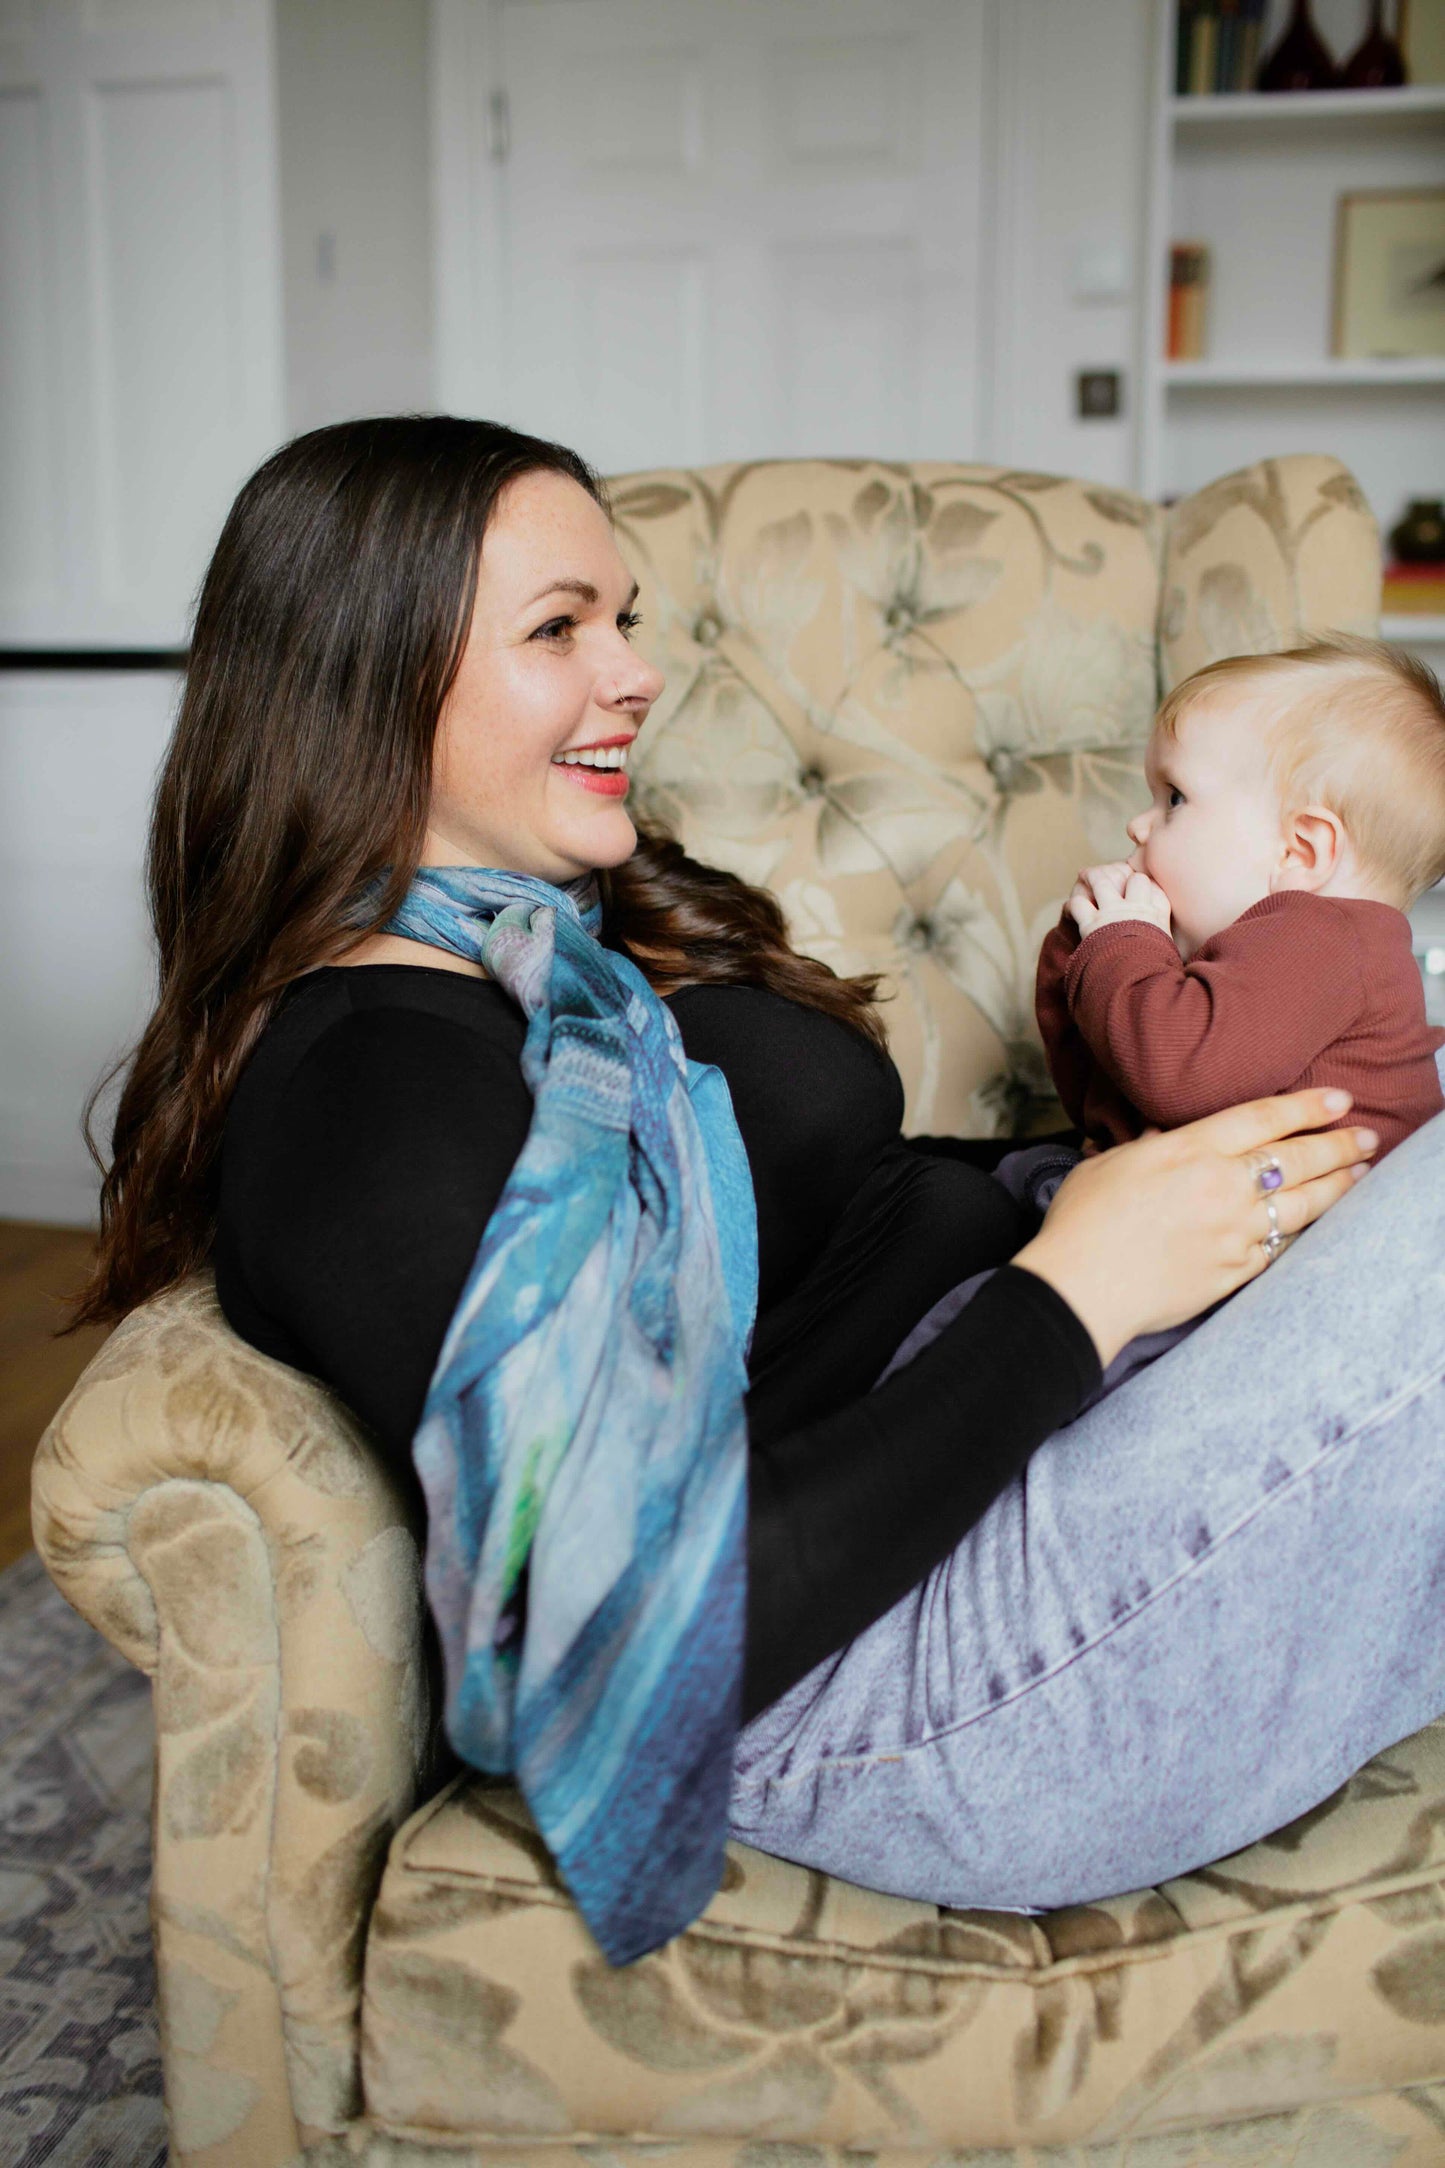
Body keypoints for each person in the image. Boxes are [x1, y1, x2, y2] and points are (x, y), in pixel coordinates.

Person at [73, 418, 1442, 1961]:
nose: (636, 672)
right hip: (873, 1678)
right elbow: (635, 1631)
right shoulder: (363, 1091)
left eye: (627, 619)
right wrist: (1080, 1291)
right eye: (558, 630)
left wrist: (1101, 1193)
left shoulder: (539, 952)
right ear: (365, 679)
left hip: (966, 1484)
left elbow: (833, 1262)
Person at [1036, 637, 1445, 1159]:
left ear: (1300, 851)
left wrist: (1121, 943)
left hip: (1321, 1236)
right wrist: (1081, 946)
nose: (1137, 825)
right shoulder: (1228, 962)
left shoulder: (1325, 940)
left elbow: (1172, 1077)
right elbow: (1108, 1110)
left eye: (1175, 798)